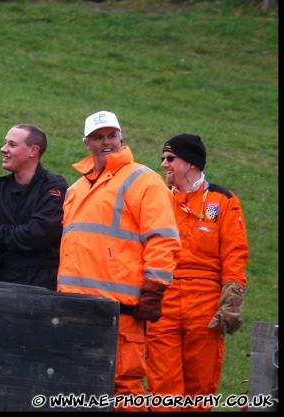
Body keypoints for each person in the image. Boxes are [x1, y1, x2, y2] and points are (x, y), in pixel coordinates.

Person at [56, 111, 181, 412]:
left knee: (123, 387)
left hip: (120, 310)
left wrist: (155, 288)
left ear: (121, 137)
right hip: (74, 307)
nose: (107, 142)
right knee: (76, 385)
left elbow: (163, 238)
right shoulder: (76, 189)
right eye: (98, 137)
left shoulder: (144, 180)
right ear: (87, 143)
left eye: (112, 135)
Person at [146, 134, 249, 412]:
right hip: (163, 298)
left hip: (205, 302)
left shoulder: (223, 200)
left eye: (170, 159)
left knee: (200, 388)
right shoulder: (159, 199)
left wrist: (232, 296)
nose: (163, 164)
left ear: (190, 163)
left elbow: (235, 252)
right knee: (161, 387)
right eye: (163, 158)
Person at [0, 124, 68, 291]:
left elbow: (38, 235)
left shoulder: (54, 187)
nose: (3, 149)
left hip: (43, 288)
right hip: (1, 286)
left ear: (33, 151)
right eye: (5, 143)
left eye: (12, 145)